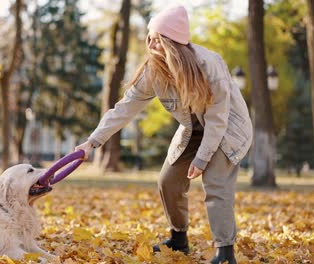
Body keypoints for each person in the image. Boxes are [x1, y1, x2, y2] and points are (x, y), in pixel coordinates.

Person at [75, 5, 252, 264]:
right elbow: (125, 108)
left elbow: (217, 119)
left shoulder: (207, 65)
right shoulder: (153, 71)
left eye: (159, 37)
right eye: (150, 36)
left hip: (227, 128)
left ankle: (225, 252)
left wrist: (202, 159)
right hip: (193, 130)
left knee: (215, 183)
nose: (152, 42)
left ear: (174, 42)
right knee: (168, 181)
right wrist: (92, 141)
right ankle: (179, 240)